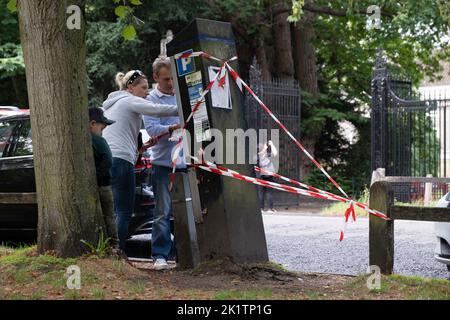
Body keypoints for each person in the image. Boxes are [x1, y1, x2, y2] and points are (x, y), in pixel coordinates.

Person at [102, 69, 178, 253]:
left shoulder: (111, 104)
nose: (147, 93)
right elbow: (157, 110)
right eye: (143, 88)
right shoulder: (129, 100)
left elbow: (117, 137)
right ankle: (118, 252)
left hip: (108, 160)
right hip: (121, 162)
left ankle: (107, 250)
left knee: (112, 212)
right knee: (124, 211)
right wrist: (185, 108)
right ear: (130, 87)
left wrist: (141, 149)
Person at [143, 57, 186, 270]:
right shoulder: (151, 100)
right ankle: (159, 255)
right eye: (166, 79)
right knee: (163, 211)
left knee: (185, 210)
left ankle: (185, 253)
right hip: (162, 163)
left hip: (186, 162)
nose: (170, 83)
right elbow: (151, 130)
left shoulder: (182, 95)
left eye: (173, 78)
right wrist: (172, 128)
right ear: (155, 78)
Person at [88, 106, 119, 248]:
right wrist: (98, 176)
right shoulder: (99, 141)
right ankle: (114, 244)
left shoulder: (83, 140)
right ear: (93, 124)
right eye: (102, 127)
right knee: (109, 216)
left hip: (90, 186)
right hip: (103, 185)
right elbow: (109, 160)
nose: (103, 131)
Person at [257, 140, 278, 213]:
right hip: (264, 174)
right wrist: (266, 147)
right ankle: (268, 208)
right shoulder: (260, 154)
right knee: (266, 192)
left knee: (263, 192)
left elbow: (275, 153)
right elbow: (261, 153)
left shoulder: (265, 155)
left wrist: (271, 145)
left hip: (265, 174)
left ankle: (262, 208)